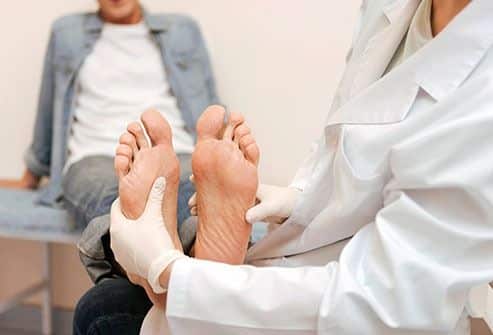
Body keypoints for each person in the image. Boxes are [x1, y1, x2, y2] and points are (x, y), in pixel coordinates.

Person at [103, 0, 493, 334]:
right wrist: (301, 198)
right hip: (335, 255)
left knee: (108, 305)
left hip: (371, 311)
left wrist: (170, 272)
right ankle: (195, 255)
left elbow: (383, 306)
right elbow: (344, 137)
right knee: (116, 297)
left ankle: (185, 259)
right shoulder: (393, 8)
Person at [0, 0, 218, 332]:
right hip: (94, 153)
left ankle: (143, 260)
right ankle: (187, 252)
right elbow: (49, 106)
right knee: (114, 192)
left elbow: (208, 106)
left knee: (187, 185)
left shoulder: (181, 30)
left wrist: (215, 148)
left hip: (175, 148)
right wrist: (33, 173)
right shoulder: (66, 32)